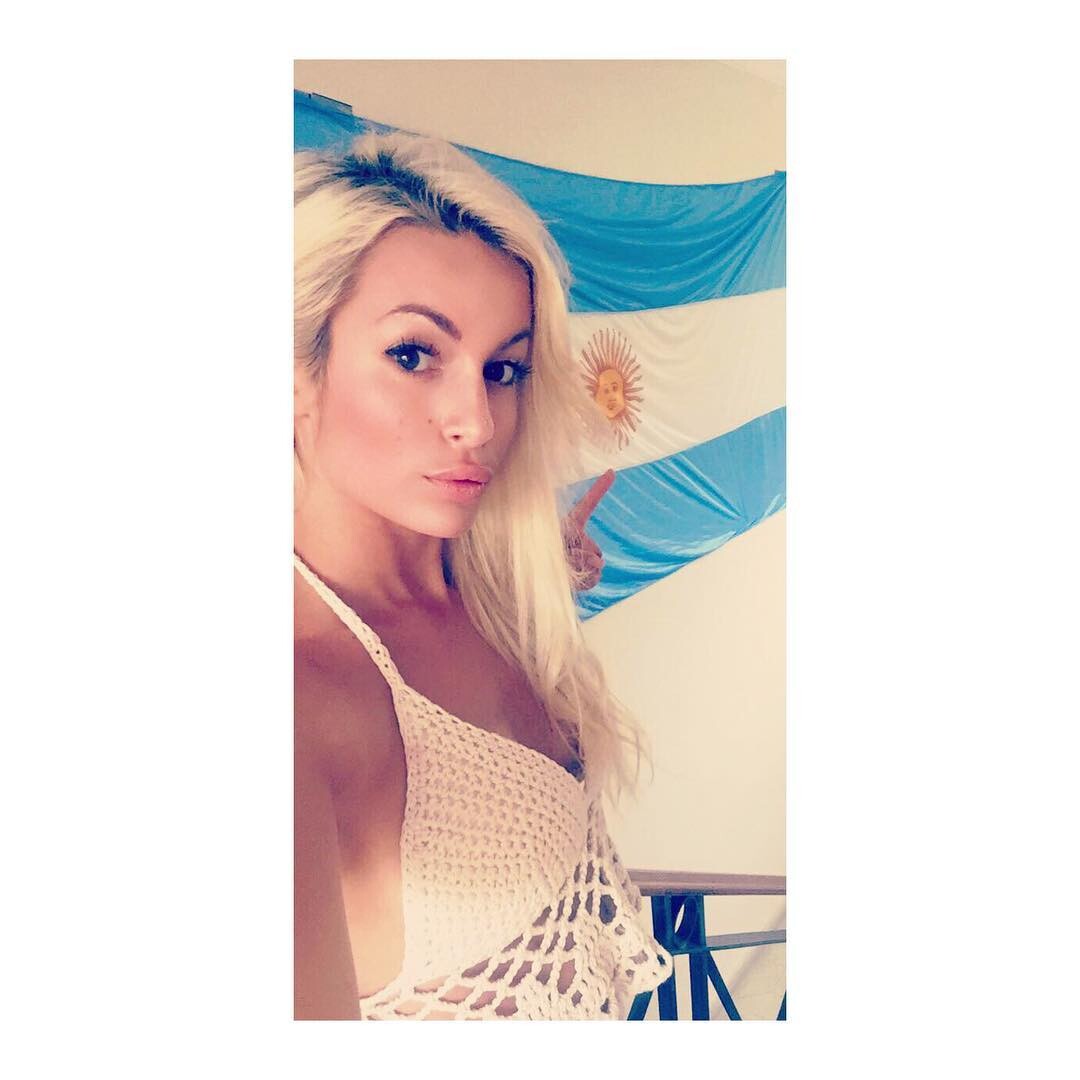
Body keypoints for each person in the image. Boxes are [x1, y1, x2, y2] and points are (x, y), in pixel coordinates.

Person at [294, 130, 672, 1020]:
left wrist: (541, 581)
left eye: (503, 369)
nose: (479, 421)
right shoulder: (297, 695)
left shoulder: (485, 591)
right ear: (295, 373)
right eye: (413, 354)